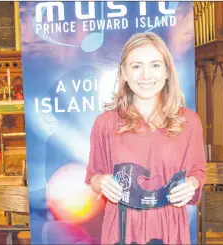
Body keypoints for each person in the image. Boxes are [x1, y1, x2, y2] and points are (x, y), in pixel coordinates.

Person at [85, 32, 206, 245]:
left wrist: (192, 183)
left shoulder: (189, 121)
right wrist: (102, 182)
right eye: (136, 66)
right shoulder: (104, 123)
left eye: (155, 65)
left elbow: (198, 171)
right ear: (124, 72)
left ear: (168, 70)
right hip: (122, 227)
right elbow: (94, 176)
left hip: (170, 228)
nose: (146, 75)